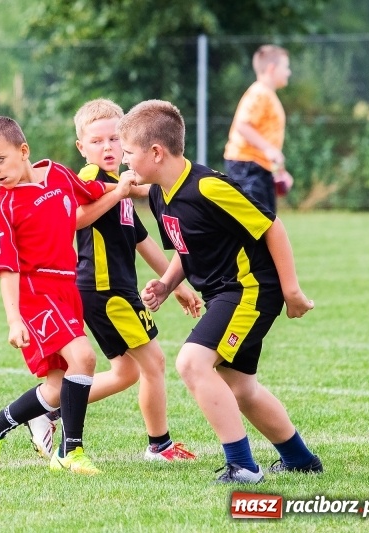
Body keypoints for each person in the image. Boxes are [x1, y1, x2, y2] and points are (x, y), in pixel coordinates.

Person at [116, 99, 323, 484]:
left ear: (156, 152)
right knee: (240, 387)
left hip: (249, 290)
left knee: (192, 363)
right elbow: (186, 247)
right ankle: (299, 459)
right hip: (225, 294)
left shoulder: (208, 187)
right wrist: (166, 284)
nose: (124, 160)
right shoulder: (161, 193)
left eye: (128, 152)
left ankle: (243, 466)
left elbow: (271, 226)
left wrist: (292, 290)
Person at [24, 99, 202, 463]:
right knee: (153, 363)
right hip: (105, 290)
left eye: (113, 139)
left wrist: (177, 285)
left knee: (126, 372)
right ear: (81, 148)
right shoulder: (88, 180)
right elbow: (69, 219)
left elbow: (141, 240)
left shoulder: (115, 185)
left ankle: (49, 407)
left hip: (113, 290)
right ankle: (160, 445)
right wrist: (120, 192)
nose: (107, 147)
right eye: (96, 141)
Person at [0, 115, 135, 475]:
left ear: (23, 151)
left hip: (66, 288)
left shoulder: (58, 175)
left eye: (0, 159)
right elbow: (6, 269)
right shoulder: (2, 208)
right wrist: (14, 319)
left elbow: (92, 193)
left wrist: (123, 188)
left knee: (59, 385)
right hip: (35, 294)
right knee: (85, 358)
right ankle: (69, 452)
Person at [223, 44, 294, 214]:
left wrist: (280, 172)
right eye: (286, 67)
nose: (289, 72)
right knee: (258, 225)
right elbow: (242, 125)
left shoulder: (268, 94)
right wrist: (268, 149)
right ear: (271, 68)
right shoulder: (259, 93)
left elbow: (267, 139)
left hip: (258, 166)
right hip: (246, 165)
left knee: (267, 223)